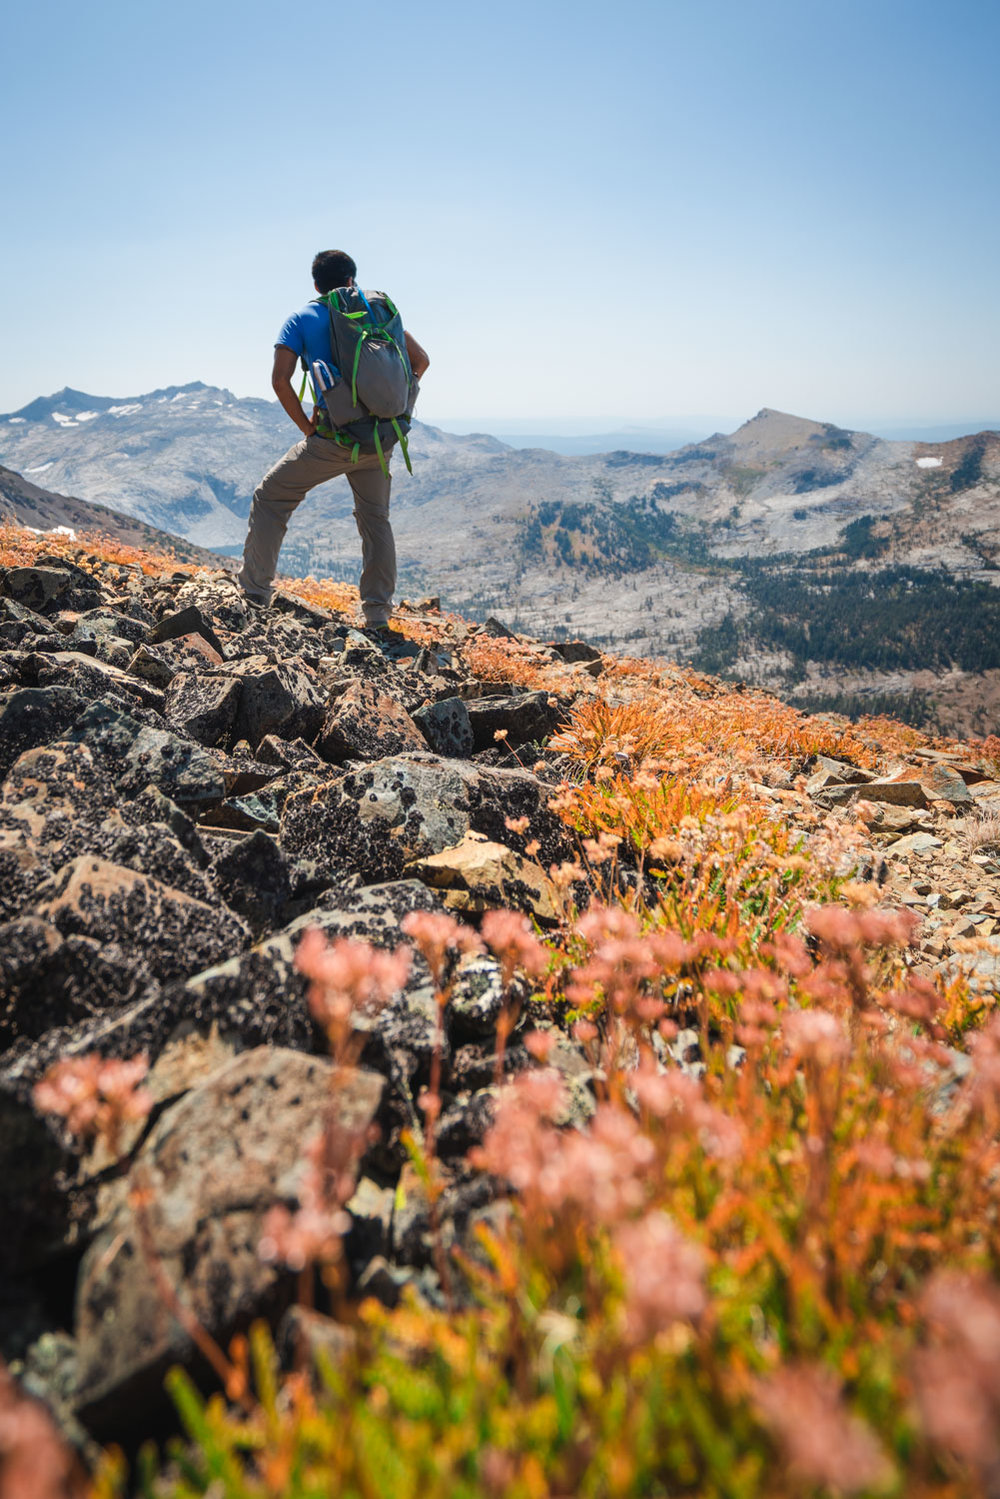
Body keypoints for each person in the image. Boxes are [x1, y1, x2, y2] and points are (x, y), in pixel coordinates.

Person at [237, 249, 429, 633]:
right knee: (376, 519)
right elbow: (420, 361)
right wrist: (391, 410)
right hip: (379, 441)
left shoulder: (303, 317)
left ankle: (254, 594)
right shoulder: (379, 311)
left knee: (271, 497)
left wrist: (308, 430)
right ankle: (377, 615)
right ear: (352, 279)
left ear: (315, 284)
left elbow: (280, 380)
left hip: (331, 439)